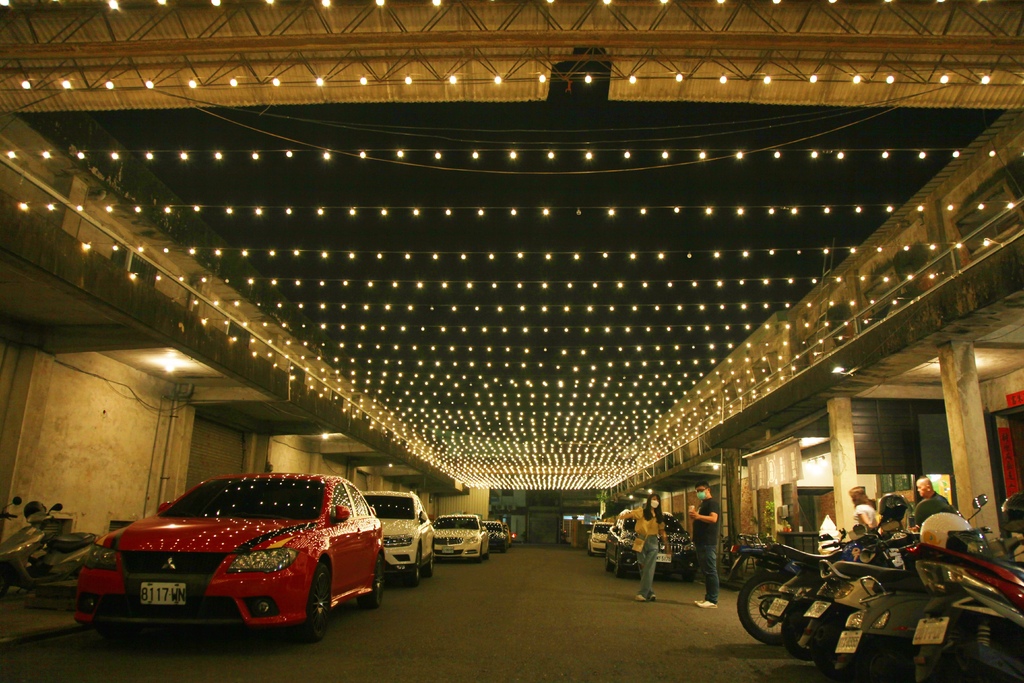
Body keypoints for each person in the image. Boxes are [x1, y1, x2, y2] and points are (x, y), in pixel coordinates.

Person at [626, 493, 670, 602]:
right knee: (643, 567)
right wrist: (623, 516)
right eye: (653, 499)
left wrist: (667, 545)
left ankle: (642, 593)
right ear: (649, 500)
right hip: (640, 540)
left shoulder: (659, 516)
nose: (655, 501)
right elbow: (632, 514)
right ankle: (650, 592)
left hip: (653, 541)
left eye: (657, 500)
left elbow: (662, 531)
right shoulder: (642, 512)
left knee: (649, 568)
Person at [688, 481, 720, 609]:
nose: (699, 493)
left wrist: (698, 516)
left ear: (708, 490)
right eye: (697, 491)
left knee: (711, 570)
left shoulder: (712, 503)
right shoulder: (702, 504)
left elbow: (713, 519)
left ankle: (712, 599)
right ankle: (708, 598)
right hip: (700, 541)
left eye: (701, 490)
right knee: (706, 571)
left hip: (708, 541)